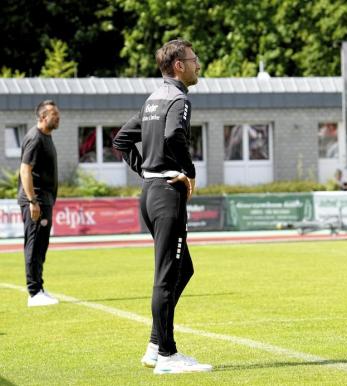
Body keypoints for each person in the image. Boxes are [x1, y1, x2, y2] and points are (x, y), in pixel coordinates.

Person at [113, 39, 212, 375]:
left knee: (182, 270)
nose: (198, 64)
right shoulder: (178, 98)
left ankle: (157, 345)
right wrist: (190, 173)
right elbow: (173, 137)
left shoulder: (153, 98)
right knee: (167, 275)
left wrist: (146, 171)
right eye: (194, 59)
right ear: (178, 65)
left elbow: (121, 140)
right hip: (167, 192)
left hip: (151, 191)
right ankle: (167, 355)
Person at [17, 100, 60, 307]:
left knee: (41, 246)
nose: (57, 116)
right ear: (43, 117)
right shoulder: (35, 138)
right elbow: (25, 170)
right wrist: (33, 200)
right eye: (53, 113)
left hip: (45, 200)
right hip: (36, 201)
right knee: (34, 246)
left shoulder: (46, 137)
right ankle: (33, 293)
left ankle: (39, 288)